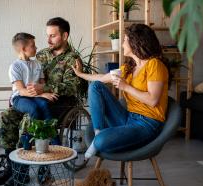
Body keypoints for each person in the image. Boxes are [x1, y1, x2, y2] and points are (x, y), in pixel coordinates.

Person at [0, 17, 82, 186]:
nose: (47, 40)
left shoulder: (73, 59)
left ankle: (26, 172)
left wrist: (44, 88)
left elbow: (72, 87)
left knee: (28, 120)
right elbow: (23, 79)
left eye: (53, 36)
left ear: (65, 35)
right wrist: (16, 95)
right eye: (47, 35)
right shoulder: (40, 55)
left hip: (58, 104)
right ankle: (12, 167)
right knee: (6, 117)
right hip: (32, 100)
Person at [72, 23, 169, 160]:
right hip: (128, 118)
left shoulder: (155, 64)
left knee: (100, 142)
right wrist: (80, 74)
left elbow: (153, 100)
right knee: (95, 86)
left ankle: (99, 139)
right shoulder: (129, 67)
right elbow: (101, 78)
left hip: (147, 123)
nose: (122, 44)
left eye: (124, 40)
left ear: (136, 41)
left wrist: (126, 87)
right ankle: (98, 131)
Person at [9, 32, 58, 120]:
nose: (36, 47)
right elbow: (22, 91)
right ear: (23, 49)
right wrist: (41, 95)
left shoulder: (37, 64)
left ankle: (50, 132)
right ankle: (31, 134)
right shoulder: (15, 66)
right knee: (33, 108)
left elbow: (43, 84)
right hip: (20, 98)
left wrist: (44, 93)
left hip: (34, 96)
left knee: (45, 104)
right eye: (33, 46)